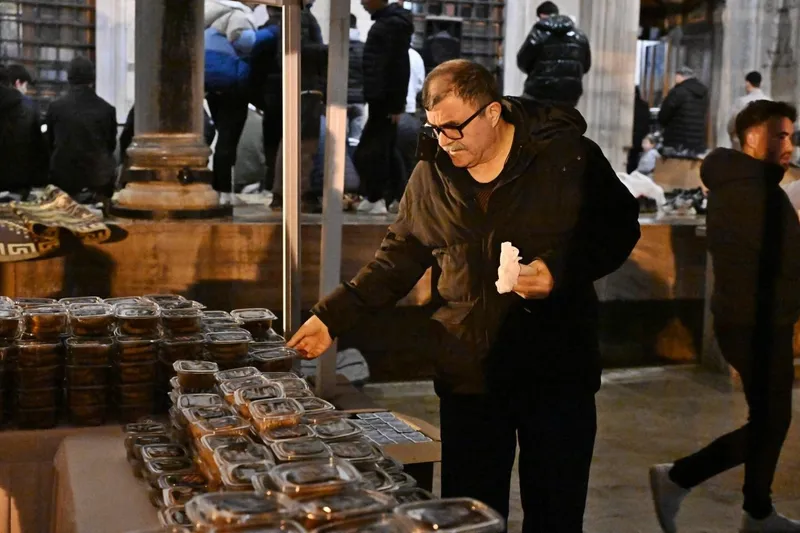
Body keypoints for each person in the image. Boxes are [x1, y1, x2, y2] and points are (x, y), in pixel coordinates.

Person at [288, 59, 640, 533]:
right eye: (435, 129)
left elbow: (619, 227)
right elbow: (397, 260)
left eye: (454, 127)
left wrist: (559, 272)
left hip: (557, 370)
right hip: (470, 375)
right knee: (469, 516)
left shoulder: (566, 156)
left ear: (492, 112)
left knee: (556, 513)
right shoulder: (432, 174)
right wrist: (331, 317)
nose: (445, 141)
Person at [650, 100, 800, 533]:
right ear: (752, 137)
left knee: (768, 419)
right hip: (757, 323)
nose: (789, 145)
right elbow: (779, 261)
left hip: (756, 318)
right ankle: (679, 477)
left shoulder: (745, 184)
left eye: (791, 136)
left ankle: (757, 510)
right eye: (780, 135)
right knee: (771, 423)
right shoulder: (752, 192)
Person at [204, 0, 279, 203]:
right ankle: (224, 193)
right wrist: (270, 33)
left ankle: (220, 189)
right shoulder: (238, 14)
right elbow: (244, 41)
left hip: (212, 83)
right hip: (233, 84)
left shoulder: (215, 14)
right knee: (229, 139)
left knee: (223, 136)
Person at [354, 0, 414, 216]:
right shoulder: (388, 24)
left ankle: (380, 197)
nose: (362, 2)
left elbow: (397, 67)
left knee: (373, 152)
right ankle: (391, 197)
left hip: (385, 102)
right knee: (383, 150)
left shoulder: (390, 26)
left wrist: (396, 104)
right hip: (382, 100)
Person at [45, 57, 117, 201]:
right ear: (92, 79)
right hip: (98, 180)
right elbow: (110, 145)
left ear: (69, 79)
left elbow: (49, 143)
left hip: (64, 180)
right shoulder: (107, 109)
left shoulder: (55, 108)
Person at [517, 1, 591, 107]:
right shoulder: (580, 36)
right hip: (569, 95)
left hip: (539, 93)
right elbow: (586, 66)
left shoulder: (538, 33)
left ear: (541, 16)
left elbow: (522, 61)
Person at [0, 65, 48, 197]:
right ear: (17, 83)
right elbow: (40, 147)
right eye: (26, 86)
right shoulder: (29, 108)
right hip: (18, 184)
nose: (26, 90)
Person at [657, 66, 709, 154]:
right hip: (697, 142)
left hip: (677, 142)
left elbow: (664, 115)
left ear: (679, 76)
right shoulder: (703, 93)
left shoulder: (678, 91)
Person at [728, 71, 771, 150]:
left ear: (748, 83)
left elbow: (732, 123)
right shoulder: (769, 101)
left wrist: (732, 136)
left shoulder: (741, 102)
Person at [347, 13, 366, 141]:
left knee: (337, 140)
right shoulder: (364, 48)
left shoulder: (335, 48)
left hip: (339, 99)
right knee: (355, 138)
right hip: (359, 97)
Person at [627, 85, 652, 173]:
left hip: (629, 136)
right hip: (639, 138)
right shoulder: (644, 106)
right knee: (635, 159)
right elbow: (647, 123)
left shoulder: (628, 105)